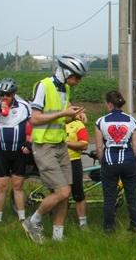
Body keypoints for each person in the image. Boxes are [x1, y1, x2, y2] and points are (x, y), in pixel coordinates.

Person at [22, 55, 88, 244]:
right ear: (67, 73)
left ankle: (57, 237)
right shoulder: (43, 86)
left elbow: (60, 118)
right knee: (62, 192)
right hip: (44, 146)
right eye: (77, 77)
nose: (78, 81)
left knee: (65, 194)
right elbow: (34, 119)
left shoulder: (65, 88)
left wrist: (74, 116)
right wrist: (64, 113)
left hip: (60, 144)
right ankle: (33, 221)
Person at [95, 90, 136, 233]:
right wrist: (131, 158)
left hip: (109, 161)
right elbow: (135, 145)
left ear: (109, 104)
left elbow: (98, 147)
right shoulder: (132, 121)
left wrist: (103, 161)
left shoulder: (100, 121)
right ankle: (135, 226)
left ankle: (109, 227)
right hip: (128, 161)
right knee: (132, 195)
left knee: (109, 197)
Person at [0, 78, 32, 224]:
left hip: (19, 151)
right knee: (1, 186)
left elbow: (36, 127)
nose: (4, 97)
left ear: (14, 94)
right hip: (1, 151)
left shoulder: (24, 106)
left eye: (7, 94)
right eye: (2, 94)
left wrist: (29, 143)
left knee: (18, 185)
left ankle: (22, 217)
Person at [65, 116, 89, 229]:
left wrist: (66, 144)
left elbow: (84, 145)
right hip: (57, 163)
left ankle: (83, 224)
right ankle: (59, 224)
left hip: (73, 161)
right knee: (61, 194)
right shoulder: (55, 123)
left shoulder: (78, 124)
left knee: (78, 194)